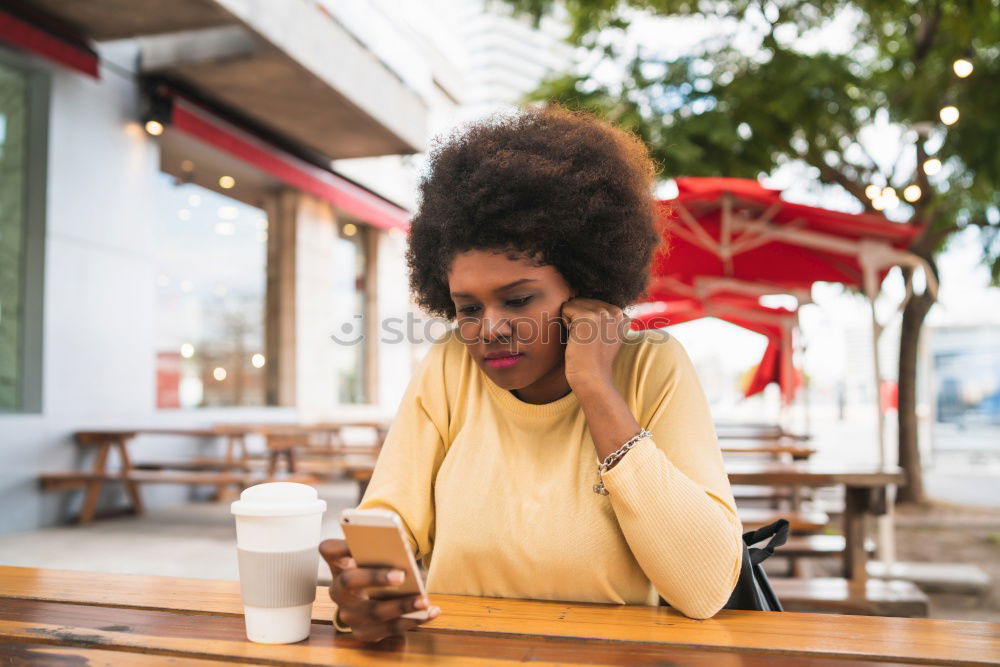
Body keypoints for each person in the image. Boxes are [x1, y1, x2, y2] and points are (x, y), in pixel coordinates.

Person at [319, 106, 742, 642]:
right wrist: (364, 597)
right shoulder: (449, 369)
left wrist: (596, 388)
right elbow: (386, 536)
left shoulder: (653, 368)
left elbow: (704, 590)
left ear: (583, 287)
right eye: (468, 308)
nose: (488, 329)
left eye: (517, 300)